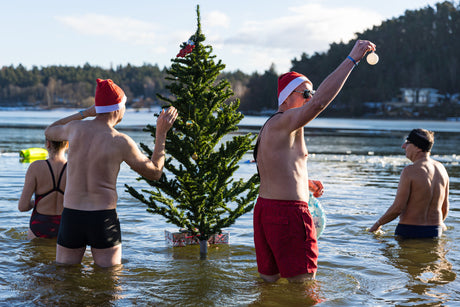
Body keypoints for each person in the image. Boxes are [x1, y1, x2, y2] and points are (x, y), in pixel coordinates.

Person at [253, 39, 376, 283]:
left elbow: (269, 169)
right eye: (306, 93)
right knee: (304, 290)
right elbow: (321, 102)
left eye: (312, 92)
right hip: (289, 215)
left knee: (268, 286)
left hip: (265, 211)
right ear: (286, 98)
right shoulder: (284, 121)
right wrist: (352, 60)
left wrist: (303, 182)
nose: (311, 98)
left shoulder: (272, 126)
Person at [44, 78, 178, 267]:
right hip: (103, 218)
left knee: (65, 276)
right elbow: (155, 172)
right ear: (117, 109)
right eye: (124, 106)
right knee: (110, 282)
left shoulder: (75, 129)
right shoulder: (120, 141)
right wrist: (161, 133)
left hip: (72, 215)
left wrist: (85, 113)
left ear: (98, 108)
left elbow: (49, 131)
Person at [369, 128, 449, 239]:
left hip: (409, 231)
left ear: (417, 147)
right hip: (435, 231)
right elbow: (445, 207)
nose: (403, 146)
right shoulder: (441, 169)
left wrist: (377, 224)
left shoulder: (410, 171)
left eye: (407, 143)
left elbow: (398, 208)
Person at [18, 139, 68, 239]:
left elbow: (22, 207)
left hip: (39, 224)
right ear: (67, 144)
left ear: (48, 144)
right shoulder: (74, 168)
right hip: (66, 225)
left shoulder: (35, 167)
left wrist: (36, 202)